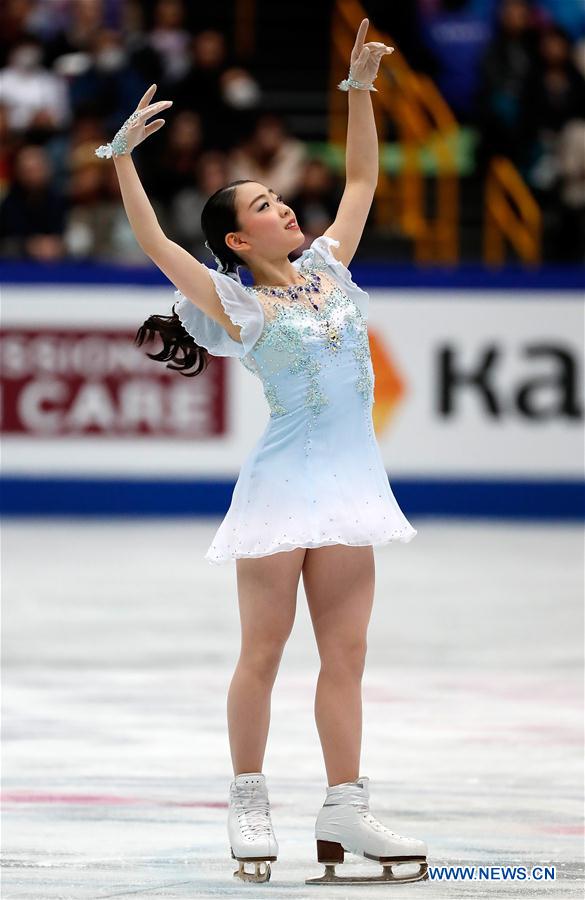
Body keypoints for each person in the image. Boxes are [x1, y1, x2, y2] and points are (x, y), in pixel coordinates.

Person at [95, 18, 428, 886]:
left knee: (346, 656)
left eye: (276, 198)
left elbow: (360, 176)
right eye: (260, 208)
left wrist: (358, 90)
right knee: (263, 655)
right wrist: (121, 160)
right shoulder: (238, 306)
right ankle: (249, 801)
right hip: (283, 491)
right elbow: (161, 247)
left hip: (351, 489)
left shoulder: (331, 267)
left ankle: (345, 808)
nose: (281, 206)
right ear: (239, 242)